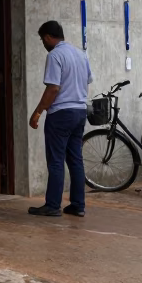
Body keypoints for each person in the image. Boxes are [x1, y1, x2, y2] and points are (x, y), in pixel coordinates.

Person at [28, 20, 92, 217]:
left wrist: (38, 111)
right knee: (75, 160)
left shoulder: (55, 55)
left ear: (48, 37)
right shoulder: (81, 54)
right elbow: (88, 79)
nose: (43, 43)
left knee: (56, 160)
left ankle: (53, 205)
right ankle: (78, 205)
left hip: (61, 114)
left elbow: (53, 87)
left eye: (42, 39)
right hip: (80, 111)